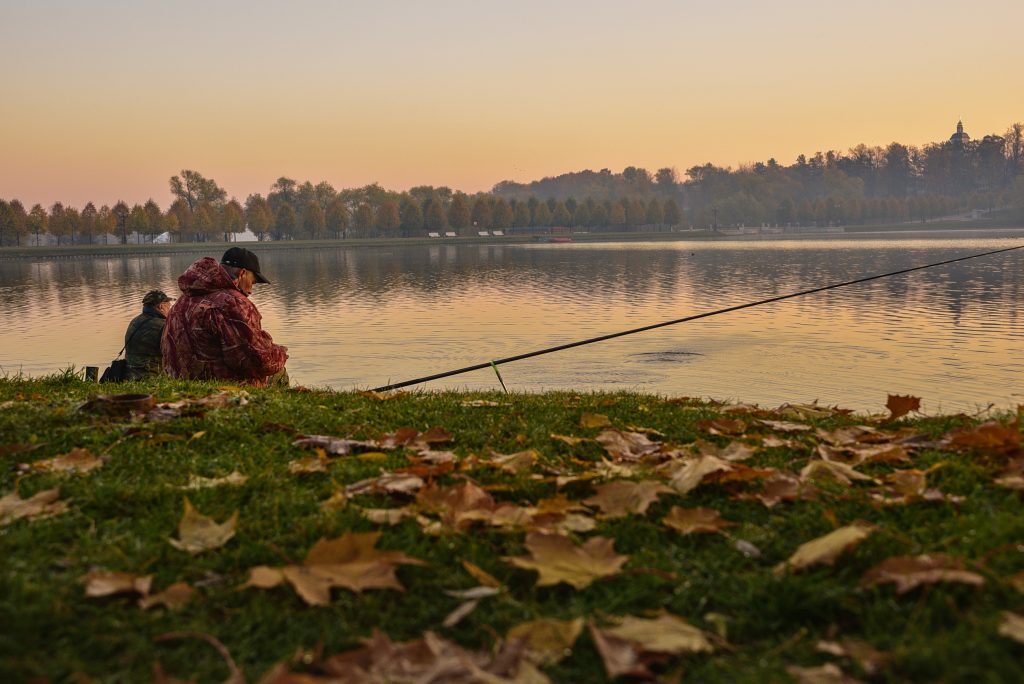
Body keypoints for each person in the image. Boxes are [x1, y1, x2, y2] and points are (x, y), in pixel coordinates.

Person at [161, 247, 288, 385]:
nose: (251, 290)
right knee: (280, 373)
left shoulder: (183, 299)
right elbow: (254, 361)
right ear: (242, 273)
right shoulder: (233, 302)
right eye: (252, 282)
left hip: (181, 383)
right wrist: (280, 353)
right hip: (221, 387)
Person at [124, 289, 173, 380]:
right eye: (168, 306)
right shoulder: (163, 325)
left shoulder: (135, 321)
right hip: (150, 375)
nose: (169, 309)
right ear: (161, 306)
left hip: (129, 373)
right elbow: (173, 352)